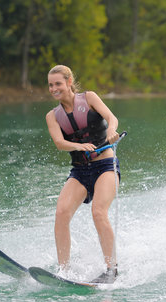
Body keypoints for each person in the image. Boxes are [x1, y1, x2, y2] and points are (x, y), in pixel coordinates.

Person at [45, 65, 120, 284]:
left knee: (98, 211)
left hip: (105, 164)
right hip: (80, 170)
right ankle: (64, 271)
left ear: (69, 82)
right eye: (50, 85)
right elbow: (59, 143)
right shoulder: (52, 116)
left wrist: (111, 131)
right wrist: (79, 147)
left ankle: (111, 269)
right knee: (61, 213)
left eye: (58, 83)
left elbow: (111, 117)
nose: (54, 88)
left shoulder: (89, 98)